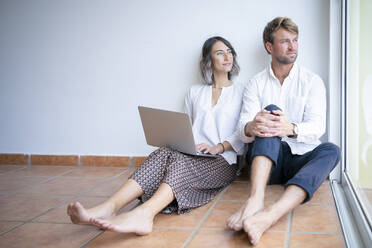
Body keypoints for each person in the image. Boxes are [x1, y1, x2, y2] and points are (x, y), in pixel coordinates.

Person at [67, 36, 245, 235]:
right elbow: (185, 125)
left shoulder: (242, 91)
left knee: (180, 164)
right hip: (194, 153)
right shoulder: (195, 92)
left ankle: (145, 214)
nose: (227, 56)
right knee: (164, 152)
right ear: (208, 60)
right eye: (220, 52)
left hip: (224, 160)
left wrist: (219, 147)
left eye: (230, 52)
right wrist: (189, 145)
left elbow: (244, 131)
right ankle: (109, 207)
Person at [226, 17, 340, 245]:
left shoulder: (312, 81)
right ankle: (255, 200)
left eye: (295, 40)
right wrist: (252, 126)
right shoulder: (256, 83)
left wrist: (291, 129)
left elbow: (318, 126)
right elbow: (241, 130)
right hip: (268, 165)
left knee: (332, 150)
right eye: (285, 41)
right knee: (270, 111)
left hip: (301, 163)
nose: (293, 46)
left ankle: (270, 215)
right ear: (270, 47)